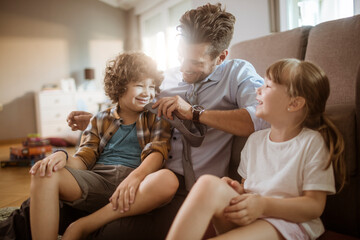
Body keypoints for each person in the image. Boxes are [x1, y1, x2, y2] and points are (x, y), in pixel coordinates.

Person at [0, 3, 267, 240]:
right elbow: (136, 109)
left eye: (195, 62)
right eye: (180, 56)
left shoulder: (237, 73)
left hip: (177, 187)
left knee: (109, 231)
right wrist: (97, 121)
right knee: (38, 200)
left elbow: (260, 119)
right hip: (138, 173)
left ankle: (77, 224)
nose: (184, 67)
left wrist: (195, 113)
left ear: (221, 57)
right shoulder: (167, 78)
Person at [166, 58, 346, 240]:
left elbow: (314, 206)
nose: (258, 89)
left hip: (288, 223)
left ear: (294, 103)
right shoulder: (254, 140)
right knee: (207, 183)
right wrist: (239, 190)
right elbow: (249, 187)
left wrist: (264, 205)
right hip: (253, 215)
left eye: (267, 86)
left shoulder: (311, 143)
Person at [29, 52, 178, 240]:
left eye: (151, 86)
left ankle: (84, 225)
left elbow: (157, 152)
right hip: (98, 180)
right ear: (120, 86)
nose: (147, 92)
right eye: (139, 85)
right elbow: (83, 159)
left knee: (168, 179)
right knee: (43, 173)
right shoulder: (99, 118)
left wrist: (134, 177)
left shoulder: (157, 117)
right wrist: (62, 157)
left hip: (137, 185)